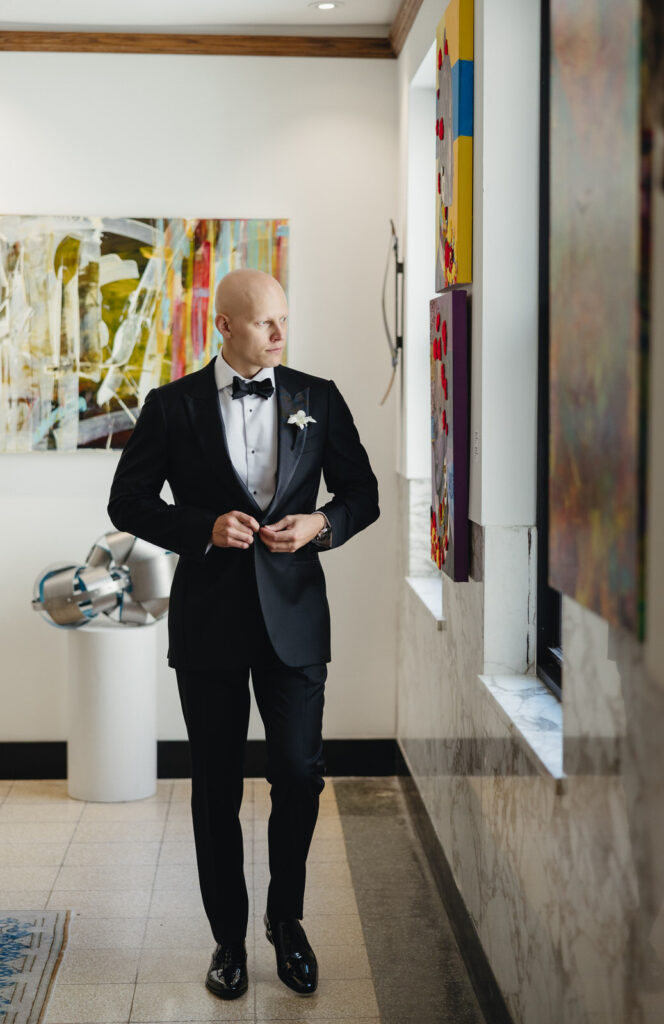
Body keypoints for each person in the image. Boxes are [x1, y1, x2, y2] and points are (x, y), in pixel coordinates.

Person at [107, 268, 380, 1000]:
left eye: (284, 320)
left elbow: (363, 496)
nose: (282, 336)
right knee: (215, 788)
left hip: (296, 624)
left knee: (298, 775)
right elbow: (127, 500)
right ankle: (228, 939)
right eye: (267, 324)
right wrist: (201, 527)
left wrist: (322, 524)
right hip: (210, 628)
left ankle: (285, 921)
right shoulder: (171, 407)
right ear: (223, 326)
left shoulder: (317, 398)